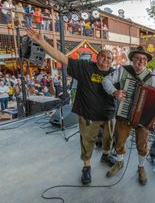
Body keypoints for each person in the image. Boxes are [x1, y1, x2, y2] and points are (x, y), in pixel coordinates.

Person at [26, 28, 116, 186]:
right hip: (88, 114)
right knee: (87, 141)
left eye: (109, 58)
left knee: (108, 138)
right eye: (103, 56)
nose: (106, 60)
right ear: (97, 57)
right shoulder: (85, 67)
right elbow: (61, 57)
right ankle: (86, 167)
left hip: (109, 114)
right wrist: (41, 42)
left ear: (112, 61)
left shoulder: (116, 73)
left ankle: (106, 155)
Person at [102, 45, 155, 186]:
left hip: (143, 118)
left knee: (142, 144)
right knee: (119, 141)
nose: (141, 61)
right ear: (132, 59)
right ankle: (119, 163)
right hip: (123, 114)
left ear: (147, 61)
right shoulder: (122, 70)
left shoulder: (152, 78)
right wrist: (115, 92)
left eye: (144, 59)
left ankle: (141, 167)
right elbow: (105, 81)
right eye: (138, 58)